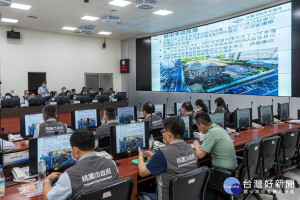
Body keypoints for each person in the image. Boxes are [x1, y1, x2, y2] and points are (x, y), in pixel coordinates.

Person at [43, 129, 119, 200]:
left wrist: (47, 180)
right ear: (94, 146)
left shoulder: (69, 176)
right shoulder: (112, 164)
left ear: (75, 150)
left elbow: (48, 198)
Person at [138, 116, 198, 200]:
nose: (163, 134)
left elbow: (142, 173)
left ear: (168, 135)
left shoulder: (162, 154)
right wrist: (154, 157)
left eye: (163, 131)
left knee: (139, 193)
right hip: (188, 196)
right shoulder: (191, 149)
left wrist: (140, 156)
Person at [193, 112, 237, 199]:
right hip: (232, 170)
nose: (198, 128)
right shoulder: (218, 128)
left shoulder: (211, 133)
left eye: (197, 126)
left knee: (201, 180)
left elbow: (200, 155)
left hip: (223, 173)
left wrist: (196, 146)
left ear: (201, 126)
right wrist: (204, 147)